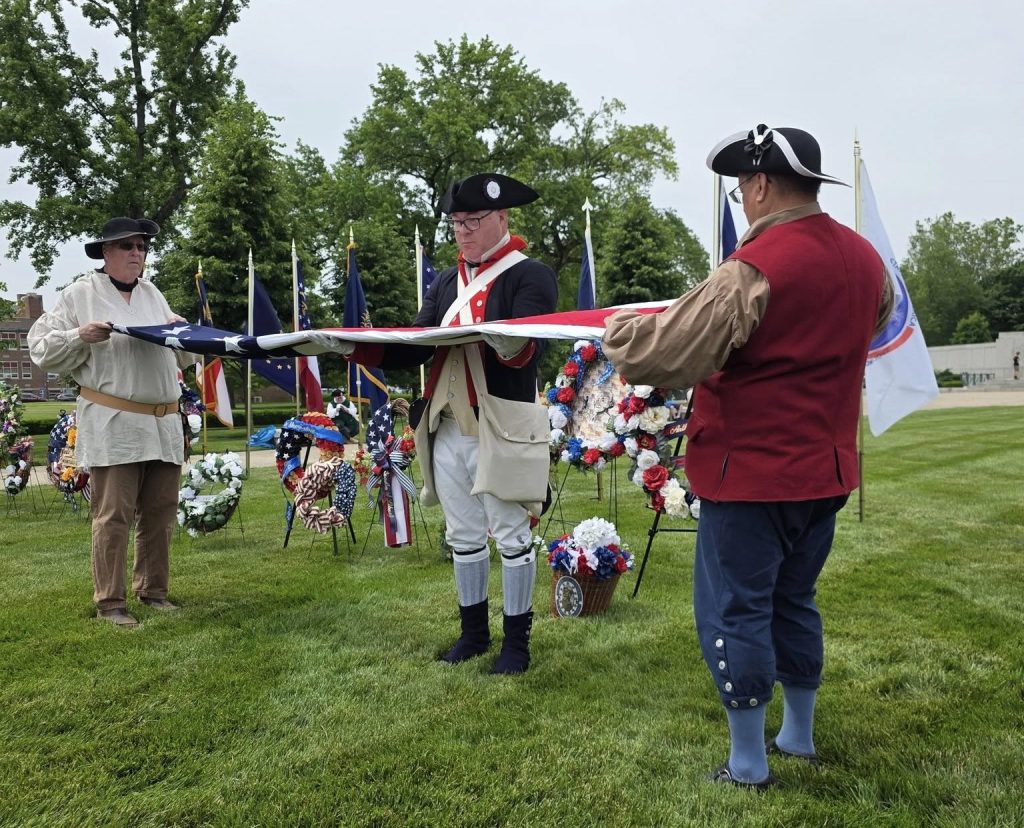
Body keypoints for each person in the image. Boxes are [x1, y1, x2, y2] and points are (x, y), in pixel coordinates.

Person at [603, 125, 894, 789]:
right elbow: (870, 325)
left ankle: (748, 761)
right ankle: (798, 733)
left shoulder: (754, 268)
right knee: (795, 599)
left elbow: (663, 353)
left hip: (750, 474)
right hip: (827, 468)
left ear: (761, 184)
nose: (742, 198)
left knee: (735, 609)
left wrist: (616, 327)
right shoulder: (866, 261)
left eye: (741, 188)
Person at [341, 173, 558, 674]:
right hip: (443, 421)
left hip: (497, 423)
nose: (462, 231)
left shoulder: (531, 275)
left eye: (472, 221)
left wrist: (488, 336)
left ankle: (516, 644)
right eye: (457, 223)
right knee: (463, 533)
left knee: (510, 534)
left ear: (502, 219)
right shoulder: (445, 281)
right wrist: (356, 343)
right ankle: (474, 634)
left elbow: (526, 350)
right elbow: (417, 339)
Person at [29, 217, 196, 628]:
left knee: (160, 512)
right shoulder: (79, 295)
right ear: (105, 252)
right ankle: (110, 602)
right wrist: (78, 336)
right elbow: (39, 347)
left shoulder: (153, 294)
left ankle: (153, 590)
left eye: (141, 246)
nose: (136, 253)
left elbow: (184, 355)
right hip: (115, 421)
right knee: (114, 515)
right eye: (127, 246)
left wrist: (186, 336)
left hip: (163, 423)